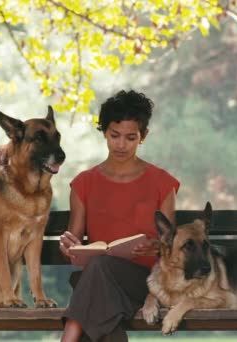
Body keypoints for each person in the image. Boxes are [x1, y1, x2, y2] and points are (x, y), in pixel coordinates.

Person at [59, 90, 180, 342]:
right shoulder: (84, 183)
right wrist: (70, 247)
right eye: (114, 135)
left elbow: (171, 249)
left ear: (143, 137)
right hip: (99, 282)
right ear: (104, 132)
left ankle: (69, 336)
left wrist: (154, 248)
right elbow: (75, 246)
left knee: (98, 275)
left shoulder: (161, 183)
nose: (121, 144)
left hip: (145, 284)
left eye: (130, 137)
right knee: (100, 284)